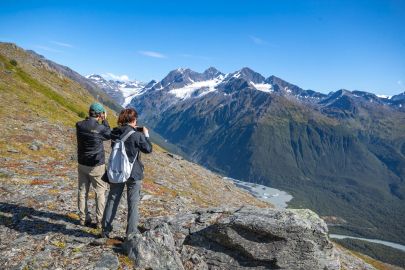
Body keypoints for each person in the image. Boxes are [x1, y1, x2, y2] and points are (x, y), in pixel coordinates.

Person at [101, 108, 152, 238]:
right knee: (133, 203)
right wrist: (146, 135)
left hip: (117, 170)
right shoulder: (137, 135)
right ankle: (131, 233)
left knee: (112, 199)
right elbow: (148, 149)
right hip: (133, 173)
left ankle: (105, 230)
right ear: (134, 120)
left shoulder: (115, 132)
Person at [76, 102, 111, 228]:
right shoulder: (101, 128)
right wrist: (105, 121)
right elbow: (109, 133)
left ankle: (83, 218)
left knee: (82, 191)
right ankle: (100, 221)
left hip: (82, 163)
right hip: (97, 165)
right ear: (100, 114)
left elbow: (87, 125)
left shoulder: (79, 125)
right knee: (100, 192)